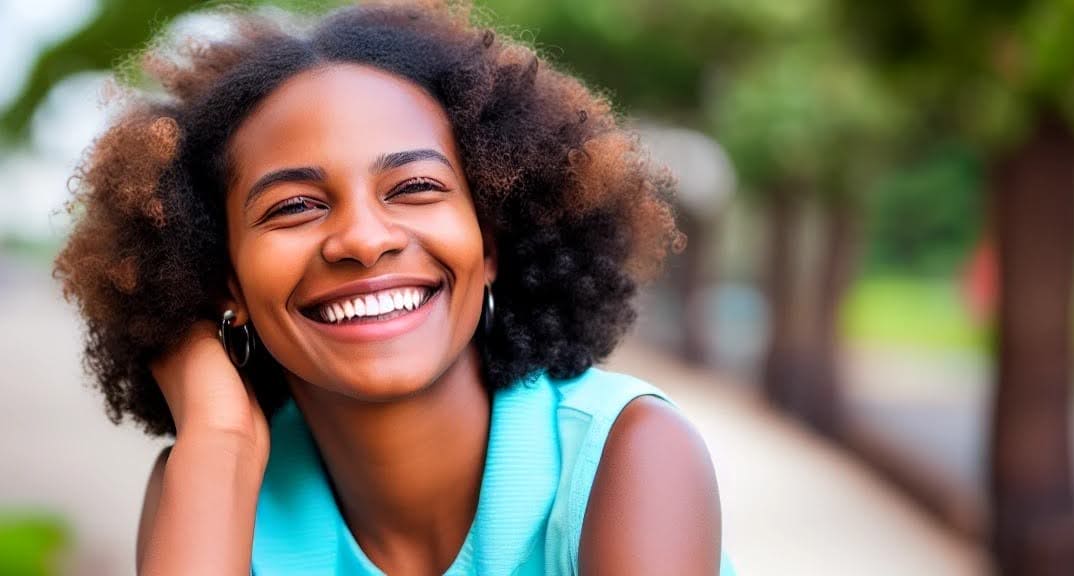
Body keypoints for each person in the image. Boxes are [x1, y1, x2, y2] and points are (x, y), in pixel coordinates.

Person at [54, 2, 727, 574]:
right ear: (223, 277)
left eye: (415, 188)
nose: (364, 239)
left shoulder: (627, 453)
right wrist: (218, 439)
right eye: (293, 206)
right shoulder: (214, 482)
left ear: (489, 243)